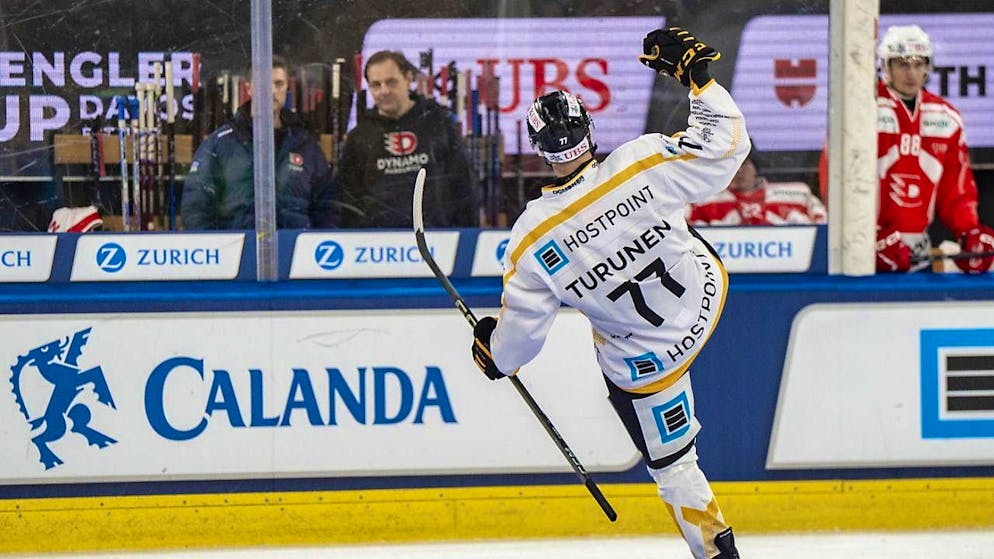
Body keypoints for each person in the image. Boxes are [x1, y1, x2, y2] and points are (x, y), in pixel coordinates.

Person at [470, 28, 745, 559]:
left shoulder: (531, 236)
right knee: (675, 215)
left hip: (644, 361)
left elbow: (519, 343)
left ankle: (716, 553)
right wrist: (699, 82)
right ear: (589, 129)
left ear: (539, 150)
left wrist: (493, 355)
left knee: (675, 468)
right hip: (703, 300)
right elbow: (728, 148)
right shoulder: (642, 161)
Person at [821, 25, 994, 273]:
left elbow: (957, 189)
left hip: (918, 250)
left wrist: (970, 231)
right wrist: (864, 235)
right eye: (902, 64)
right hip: (862, 250)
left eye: (918, 64)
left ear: (928, 67)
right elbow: (835, 178)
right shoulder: (860, 110)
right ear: (885, 66)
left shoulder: (947, 118)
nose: (911, 73)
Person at [181, 55, 337, 230]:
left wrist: (311, 248)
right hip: (237, 251)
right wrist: (221, 251)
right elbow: (195, 207)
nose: (271, 91)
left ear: (287, 87)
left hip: (296, 251)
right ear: (249, 88)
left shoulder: (306, 145)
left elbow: (327, 208)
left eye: (279, 84)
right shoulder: (220, 144)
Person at [337, 50, 476, 228]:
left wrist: (465, 236)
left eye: (391, 82)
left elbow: (464, 184)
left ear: (409, 78)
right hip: (378, 248)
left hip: (438, 240)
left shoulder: (437, 123)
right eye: (376, 85)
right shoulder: (360, 137)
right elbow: (348, 201)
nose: (384, 91)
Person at [689, 145, 825, 225]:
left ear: (756, 169)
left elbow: (825, 226)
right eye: (732, 166)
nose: (738, 171)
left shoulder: (798, 195)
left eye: (744, 164)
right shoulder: (702, 200)